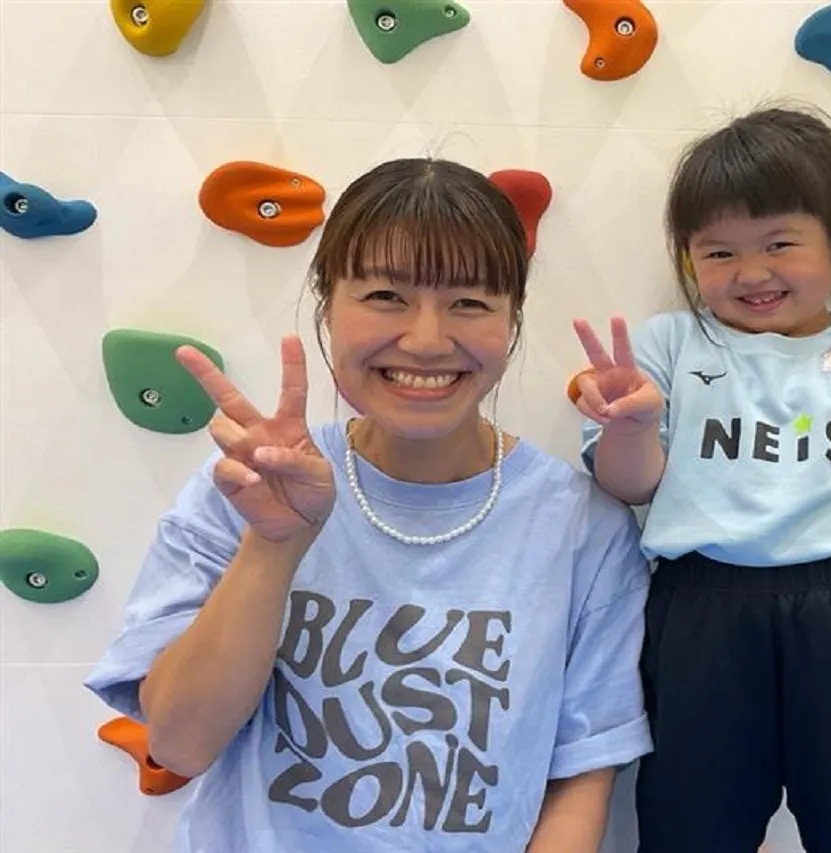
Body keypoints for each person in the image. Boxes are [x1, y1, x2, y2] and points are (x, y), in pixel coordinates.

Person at [84, 158, 653, 853]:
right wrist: (272, 547)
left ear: (512, 321)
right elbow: (179, 743)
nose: (426, 340)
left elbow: (579, 776)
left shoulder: (583, 527)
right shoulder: (243, 489)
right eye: (386, 295)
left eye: (470, 302)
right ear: (328, 306)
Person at [570, 103, 831, 853]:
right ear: (688, 256)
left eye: (780, 243)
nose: (751, 273)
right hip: (702, 616)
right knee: (692, 827)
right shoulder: (666, 346)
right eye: (719, 252)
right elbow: (630, 488)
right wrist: (630, 426)